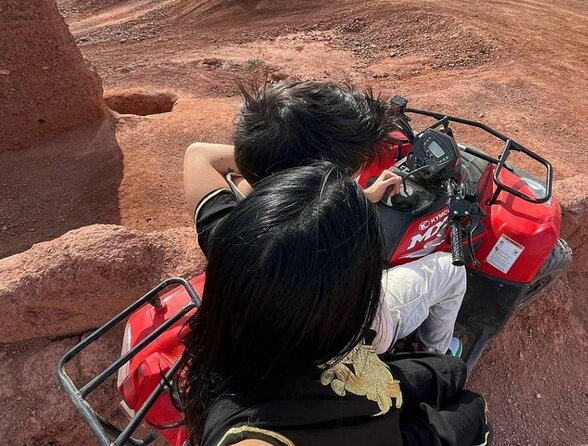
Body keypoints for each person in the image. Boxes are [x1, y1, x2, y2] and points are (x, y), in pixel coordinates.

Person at [179, 162, 490, 446]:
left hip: (367, 392)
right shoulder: (253, 432)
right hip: (387, 425)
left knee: (450, 370)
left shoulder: (242, 255)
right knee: (474, 410)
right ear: (332, 306)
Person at [184, 81, 466, 356]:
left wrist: (268, 155)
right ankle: (437, 354)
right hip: (352, 337)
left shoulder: (227, 230)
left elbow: (199, 153)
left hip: (262, 331)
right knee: (451, 270)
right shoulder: (347, 232)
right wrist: (352, 194)